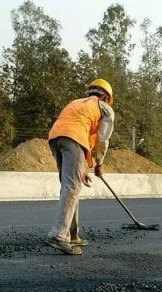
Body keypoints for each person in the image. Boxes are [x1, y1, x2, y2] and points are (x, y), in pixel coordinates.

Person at [45, 78, 115, 255]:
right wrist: (99, 163)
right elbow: (102, 139)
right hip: (73, 138)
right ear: (106, 98)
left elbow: (77, 128)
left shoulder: (76, 103)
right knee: (72, 186)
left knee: (69, 186)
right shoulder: (104, 107)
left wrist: (82, 168)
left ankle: (73, 234)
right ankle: (59, 235)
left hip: (55, 137)